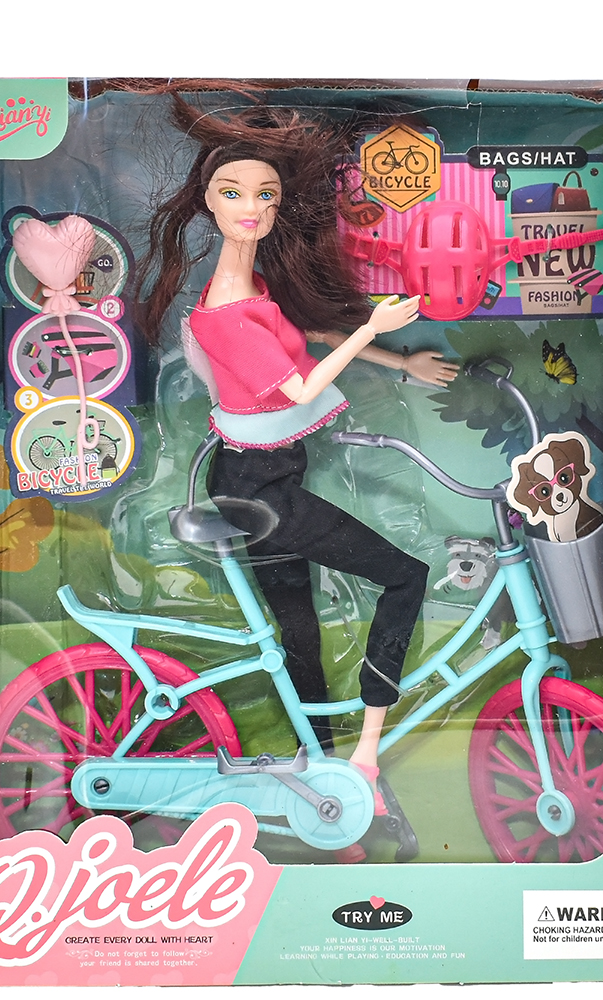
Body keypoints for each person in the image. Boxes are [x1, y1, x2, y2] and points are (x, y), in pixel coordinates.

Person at [135, 98, 458, 808]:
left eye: (266, 195)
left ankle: (323, 775)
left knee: (301, 629)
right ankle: (365, 759)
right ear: (207, 202)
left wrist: (401, 364)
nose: (252, 208)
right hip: (259, 491)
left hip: (262, 474)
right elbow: (304, 384)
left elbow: (306, 335)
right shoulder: (224, 311)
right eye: (233, 193)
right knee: (405, 577)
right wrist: (373, 326)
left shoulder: (253, 284)